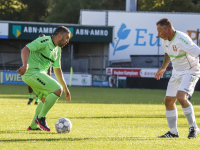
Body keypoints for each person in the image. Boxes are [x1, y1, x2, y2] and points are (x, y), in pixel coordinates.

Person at [16, 26, 71, 131]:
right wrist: (25, 65)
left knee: (45, 99)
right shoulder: (44, 40)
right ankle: (41, 118)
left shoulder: (57, 49)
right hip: (32, 73)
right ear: (59, 36)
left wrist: (66, 88)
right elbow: (25, 49)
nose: (67, 41)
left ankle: (33, 126)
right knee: (57, 89)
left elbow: (57, 69)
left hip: (38, 74)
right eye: (66, 38)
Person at [155, 18, 200, 139]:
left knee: (181, 97)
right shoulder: (165, 40)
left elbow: (198, 52)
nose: (158, 34)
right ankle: (173, 132)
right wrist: (163, 68)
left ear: (166, 29)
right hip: (177, 72)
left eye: (159, 31)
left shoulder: (182, 39)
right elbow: (167, 54)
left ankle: (194, 127)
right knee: (168, 101)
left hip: (191, 71)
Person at [27, 34, 52, 105]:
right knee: (30, 84)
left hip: (42, 70)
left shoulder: (47, 48)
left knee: (40, 86)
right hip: (33, 69)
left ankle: (37, 100)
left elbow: (50, 60)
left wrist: (49, 72)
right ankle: (31, 98)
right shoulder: (34, 46)